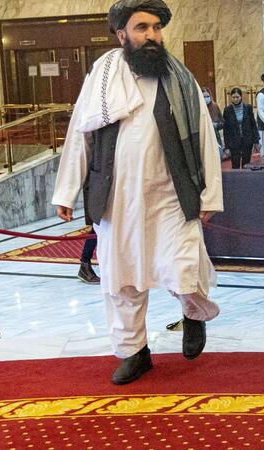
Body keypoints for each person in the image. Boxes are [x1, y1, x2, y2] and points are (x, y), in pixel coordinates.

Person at [52, 0, 224, 385]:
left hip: (171, 196)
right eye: (142, 28)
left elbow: (205, 140)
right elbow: (80, 135)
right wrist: (66, 191)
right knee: (122, 281)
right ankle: (135, 352)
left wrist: (210, 195)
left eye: (156, 28)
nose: (152, 35)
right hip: (117, 200)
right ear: (122, 35)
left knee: (183, 267)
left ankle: (193, 315)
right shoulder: (101, 78)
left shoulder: (180, 78)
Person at [223, 87, 260, 169]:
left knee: (246, 165)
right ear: (231, 97)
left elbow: (253, 125)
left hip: (247, 140)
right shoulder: (227, 110)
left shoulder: (248, 108)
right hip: (234, 141)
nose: (235, 99)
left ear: (241, 97)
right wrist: (227, 146)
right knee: (235, 165)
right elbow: (226, 130)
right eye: (233, 97)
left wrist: (256, 141)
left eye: (237, 97)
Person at [202, 86, 224, 154]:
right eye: (204, 97)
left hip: (215, 138)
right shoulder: (198, 108)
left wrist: (216, 125)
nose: (206, 98)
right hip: (204, 138)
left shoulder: (215, 106)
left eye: (207, 96)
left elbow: (222, 122)